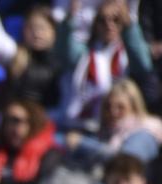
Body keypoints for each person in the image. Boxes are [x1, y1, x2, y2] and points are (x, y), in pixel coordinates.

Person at [59, 0, 154, 132]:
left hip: (119, 126)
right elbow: (64, 50)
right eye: (102, 20)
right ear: (95, 24)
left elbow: (143, 64)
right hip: (80, 124)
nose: (109, 25)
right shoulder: (84, 55)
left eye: (116, 20)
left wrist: (129, 26)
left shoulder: (127, 55)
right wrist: (71, 17)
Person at [0, 2, 64, 109]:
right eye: (32, 28)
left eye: (42, 28)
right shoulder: (16, 55)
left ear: (53, 32)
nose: (37, 34)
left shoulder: (62, 62)